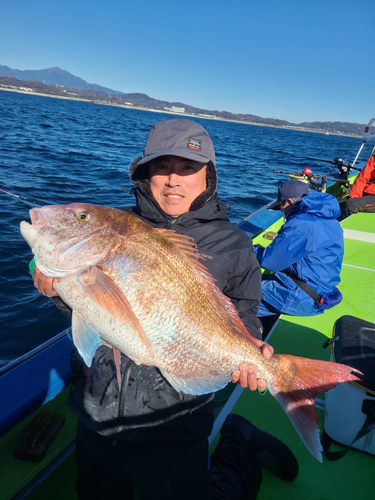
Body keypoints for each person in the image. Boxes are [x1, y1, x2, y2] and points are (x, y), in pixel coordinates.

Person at [33, 118, 298, 499]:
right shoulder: (119, 225)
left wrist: (250, 350)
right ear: (145, 173)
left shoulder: (234, 244)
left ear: (208, 175)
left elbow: (245, 312)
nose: (174, 180)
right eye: (162, 167)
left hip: (178, 422)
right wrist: (50, 280)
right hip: (97, 411)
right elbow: (93, 305)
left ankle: (241, 447)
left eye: (188, 168)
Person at [253, 179, 344, 317]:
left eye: (281, 206)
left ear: (290, 201)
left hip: (301, 296)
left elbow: (270, 262)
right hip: (318, 290)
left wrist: (248, 249)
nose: (281, 211)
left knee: (238, 292)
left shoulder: (302, 223)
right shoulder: (325, 216)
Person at [338, 155, 375, 221]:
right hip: (368, 193)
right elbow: (363, 177)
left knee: (352, 205)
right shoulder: (373, 159)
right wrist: (354, 196)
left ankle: (336, 228)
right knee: (337, 204)